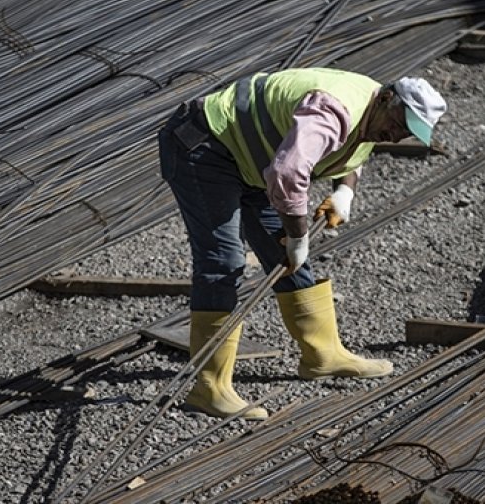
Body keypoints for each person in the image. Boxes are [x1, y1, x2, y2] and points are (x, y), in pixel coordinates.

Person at [157, 67, 447, 420]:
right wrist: (297, 235)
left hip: (252, 160)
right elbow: (288, 173)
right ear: (388, 98)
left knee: (285, 253)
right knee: (223, 260)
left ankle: (321, 356)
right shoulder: (334, 108)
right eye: (400, 125)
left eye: (408, 134)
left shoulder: (374, 108)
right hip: (204, 146)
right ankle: (210, 388)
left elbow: (353, 149)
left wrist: (344, 191)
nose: (398, 137)